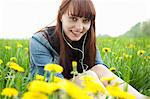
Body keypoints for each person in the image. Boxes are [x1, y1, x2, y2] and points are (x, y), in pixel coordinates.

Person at [29, 0, 148, 98]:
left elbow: (100, 70)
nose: (79, 28)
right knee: (88, 76)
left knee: (99, 69)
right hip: (50, 90)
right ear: (61, 16)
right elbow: (54, 83)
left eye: (85, 21)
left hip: (82, 88)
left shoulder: (87, 39)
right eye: (73, 19)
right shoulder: (40, 41)